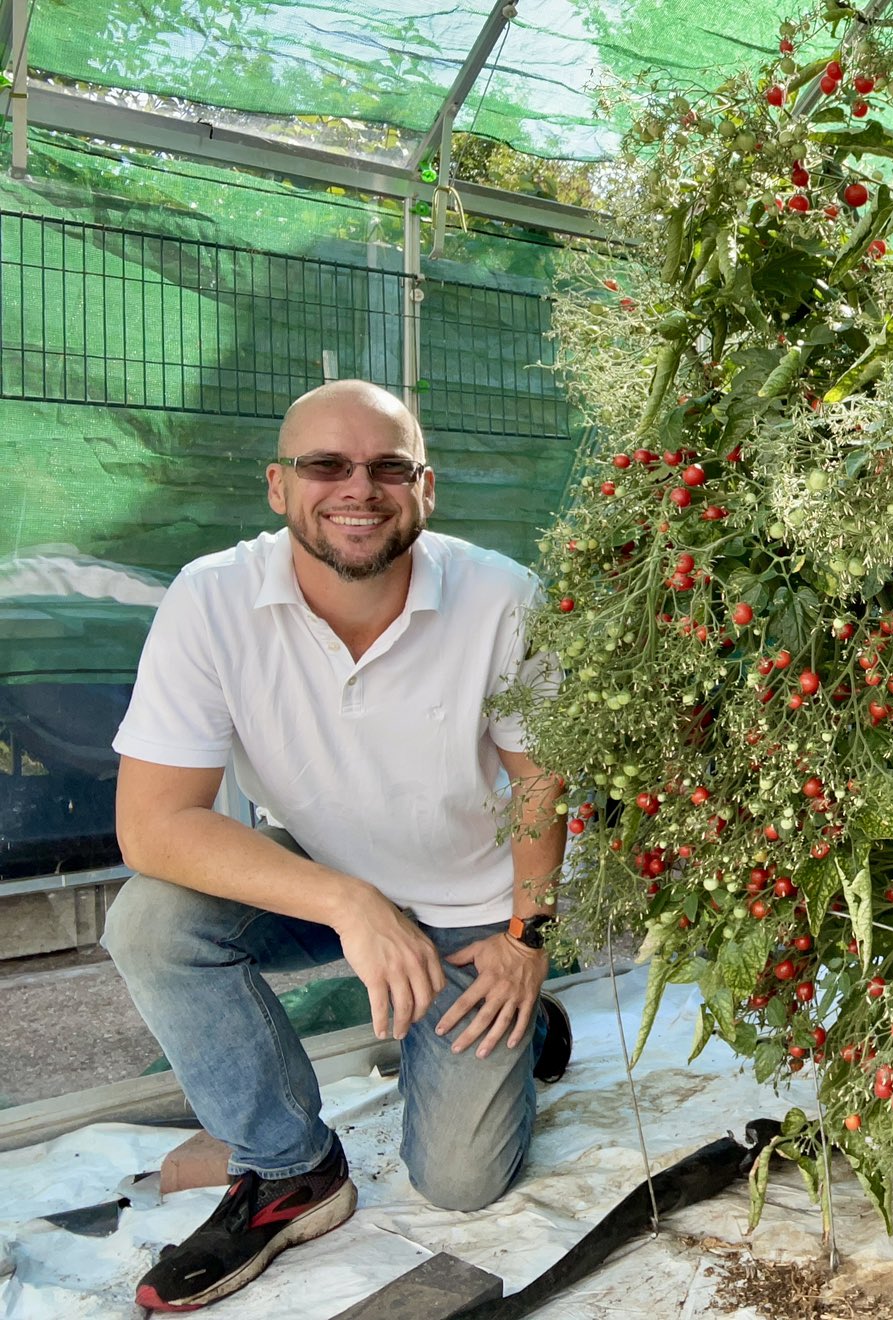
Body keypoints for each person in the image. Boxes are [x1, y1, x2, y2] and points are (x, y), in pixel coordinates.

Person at [103, 379, 569, 1312]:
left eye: (388, 467)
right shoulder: (211, 598)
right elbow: (151, 824)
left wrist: (527, 940)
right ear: (280, 486)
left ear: (425, 490)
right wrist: (350, 902)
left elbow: (542, 782)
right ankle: (289, 1165)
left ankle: (529, 1024)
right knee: (152, 926)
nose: (359, 488)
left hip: (469, 907)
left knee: (462, 1185)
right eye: (327, 464)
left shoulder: (503, 597)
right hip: (320, 874)